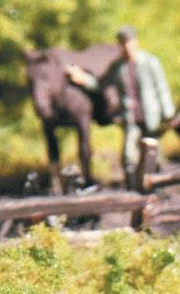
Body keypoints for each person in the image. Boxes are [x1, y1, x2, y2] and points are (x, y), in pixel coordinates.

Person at [67, 27, 174, 190]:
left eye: (129, 42)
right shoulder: (118, 68)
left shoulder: (150, 62)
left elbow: (161, 87)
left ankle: (158, 187)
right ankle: (133, 190)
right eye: (122, 43)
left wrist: (167, 111)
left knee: (154, 155)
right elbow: (101, 84)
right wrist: (83, 79)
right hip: (131, 118)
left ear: (135, 42)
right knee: (128, 156)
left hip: (151, 116)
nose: (126, 47)